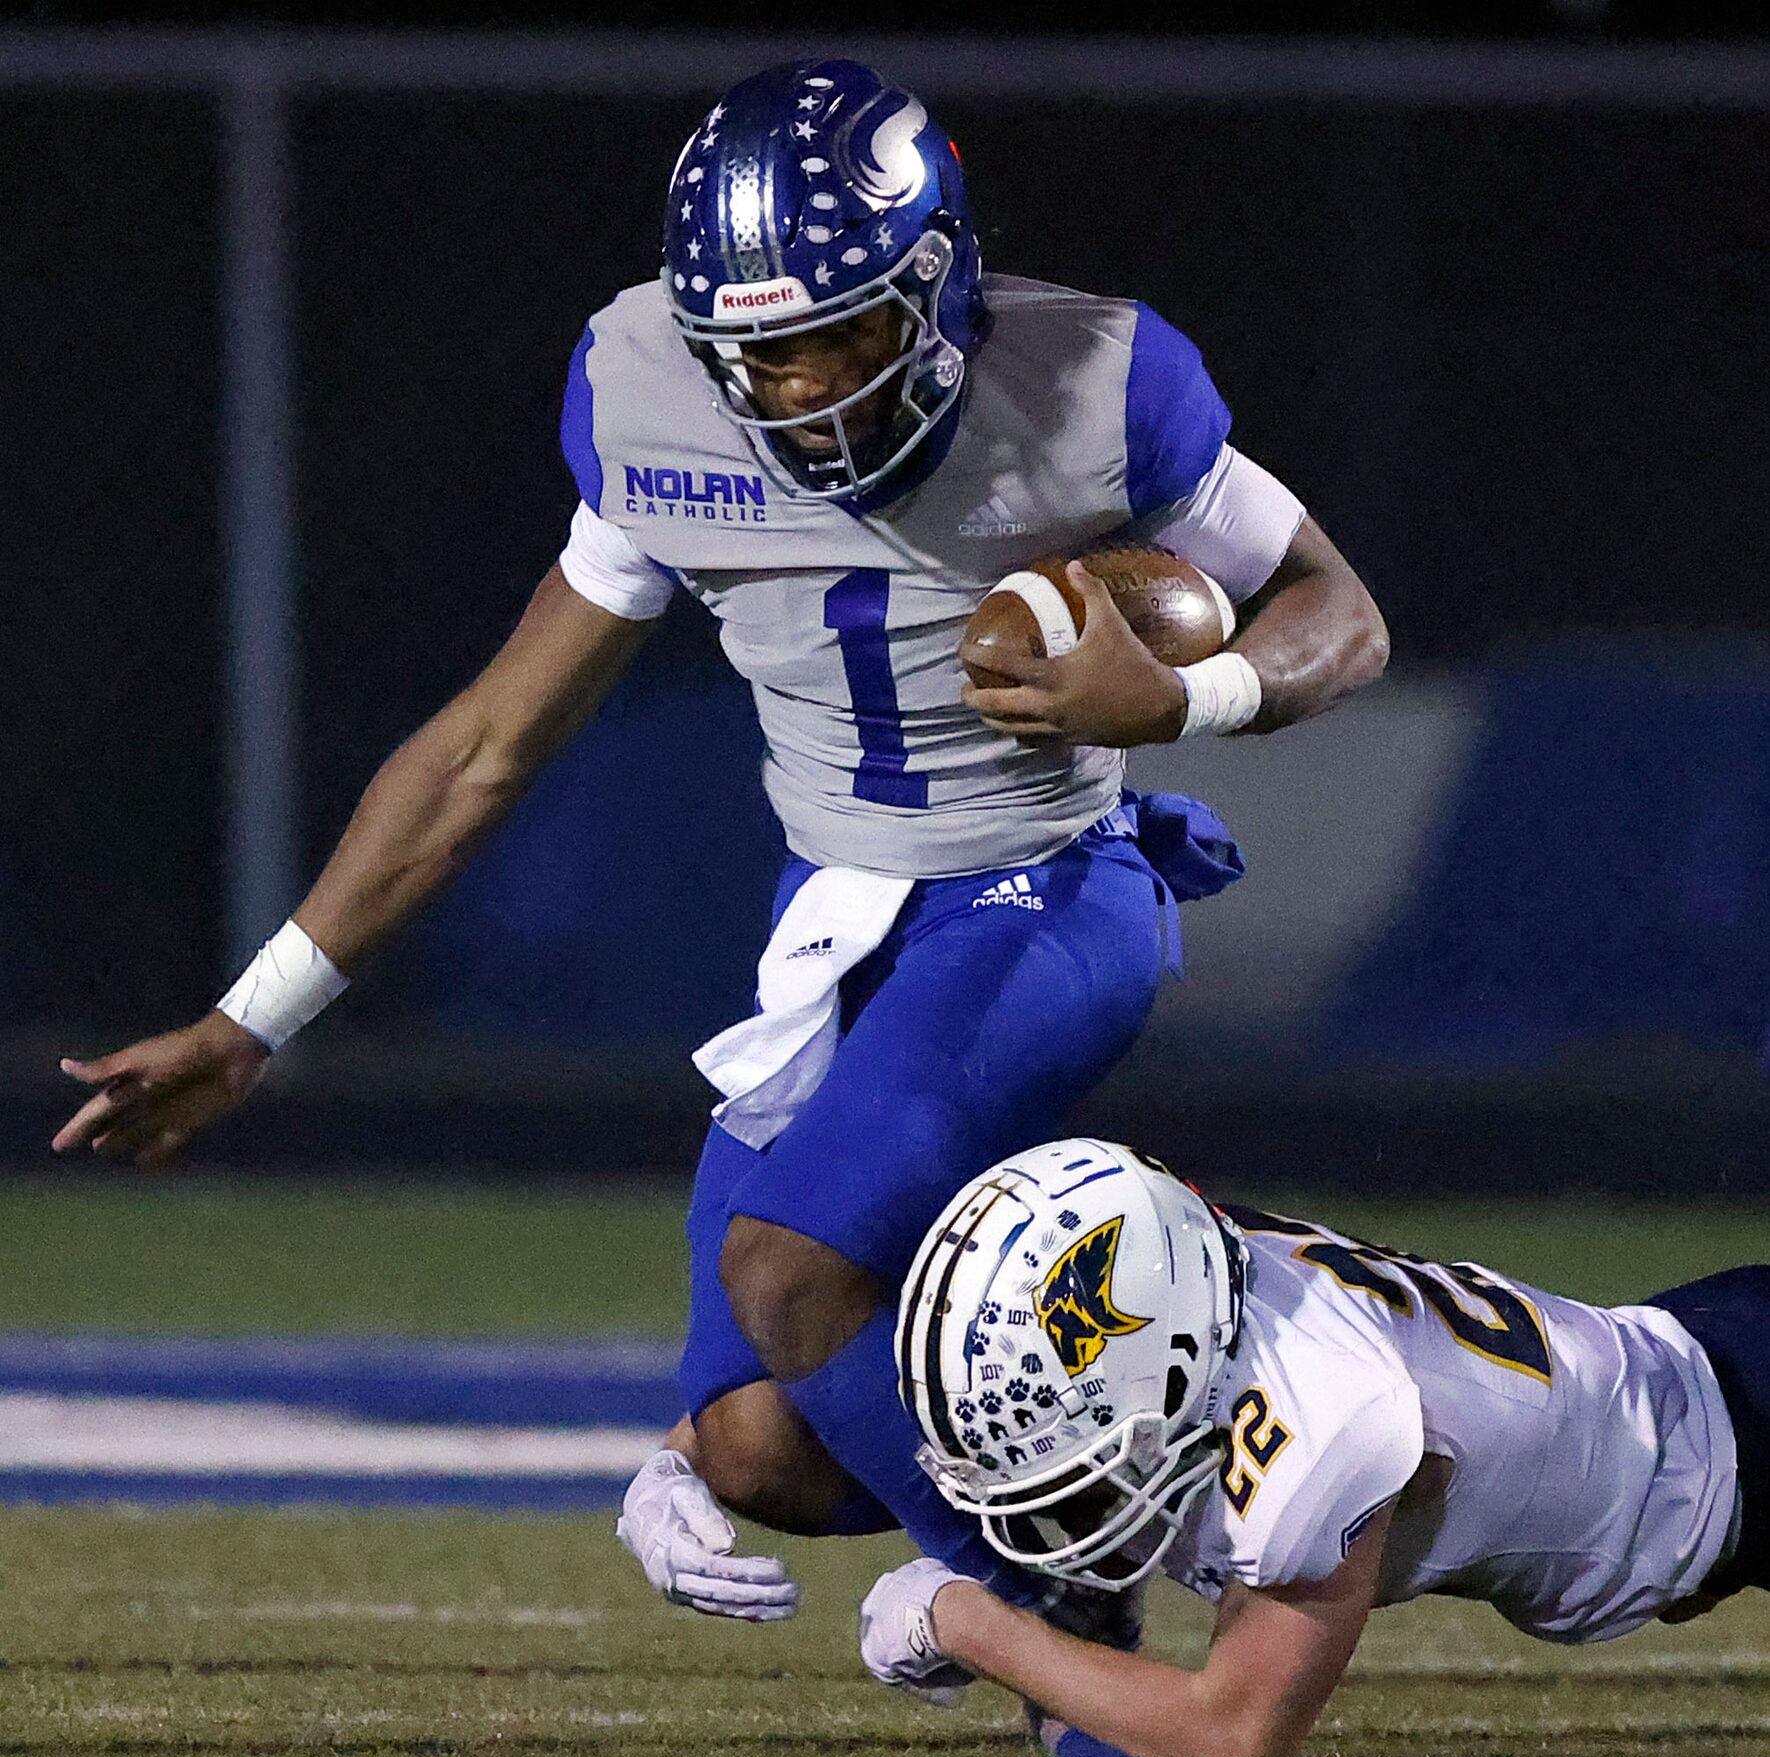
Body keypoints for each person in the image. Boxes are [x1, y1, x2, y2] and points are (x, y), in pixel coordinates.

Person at [52, 62, 1385, 1635]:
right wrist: (248, 1019)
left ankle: (1066, 1621)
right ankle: (1145, 1414)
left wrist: (1180, 696)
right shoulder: (648, 393)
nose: (804, 390)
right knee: (752, 1443)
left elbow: (1337, 618)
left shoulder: (1096, 379)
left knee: (785, 1262)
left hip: (1049, 884)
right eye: (762, 351)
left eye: (840, 333)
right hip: (832, 920)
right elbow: (486, 747)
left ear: (942, 284)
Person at [860, 1138, 1763, 1757]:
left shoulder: (1320, 1415)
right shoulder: (1197, 1268)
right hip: (1701, 1370)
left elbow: (1230, 1741)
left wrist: (965, 1622)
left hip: (1739, 1445)